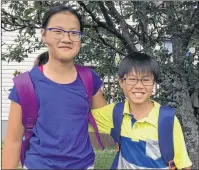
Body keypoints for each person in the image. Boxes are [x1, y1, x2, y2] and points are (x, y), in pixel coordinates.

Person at [2, 5, 106, 169]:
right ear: (44, 35)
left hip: (83, 165)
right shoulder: (25, 84)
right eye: (58, 31)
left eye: (74, 32)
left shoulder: (89, 79)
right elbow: (13, 141)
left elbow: (106, 122)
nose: (66, 38)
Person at [90, 52, 192, 169]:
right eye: (132, 79)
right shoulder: (116, 113)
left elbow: (184, 164)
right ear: (121, 82)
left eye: (146, 80)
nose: (139, 85)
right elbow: (78, 119)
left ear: (153, 83)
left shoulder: (167, 119)